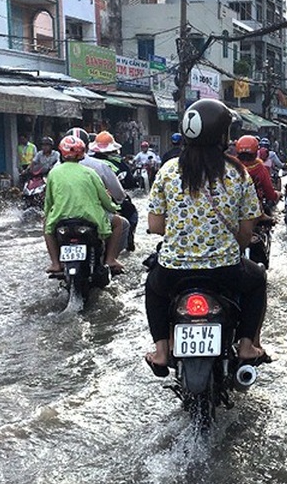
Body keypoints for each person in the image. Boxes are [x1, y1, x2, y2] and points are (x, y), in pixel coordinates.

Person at [144, 99, 268, 376]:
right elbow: (247, 232)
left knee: (153, 288)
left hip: (173, 271)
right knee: (258, 279)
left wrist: (181, 232)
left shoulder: (168, 170)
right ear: (222, 136)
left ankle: (162, 352)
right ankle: (248, 345)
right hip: (225, 270)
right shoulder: (237, 173)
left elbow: (154, 225)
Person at [42, 135, 125, 275]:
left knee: (46, 225)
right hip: (91, 218)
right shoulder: (91, 172)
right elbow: (104, 197)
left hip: (60, 218)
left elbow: (49, 200)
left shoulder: (53, 172)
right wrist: (114, 209)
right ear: (82, 153)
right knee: (118, 222)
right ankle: (110, 259)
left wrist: (46, 215)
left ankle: (55, 263)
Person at [89, 132, 140, 252]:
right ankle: (128, 243)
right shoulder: (116, 162)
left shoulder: (86, 161)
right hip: (110, 202)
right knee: (131, 214)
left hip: (87, 202)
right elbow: (128, 183)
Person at [235, 134, 279, 215]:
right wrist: (277, 195)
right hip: (254, 209)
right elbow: (269, 193)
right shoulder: (260, 168)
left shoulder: (230, 167)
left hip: (233, 208)